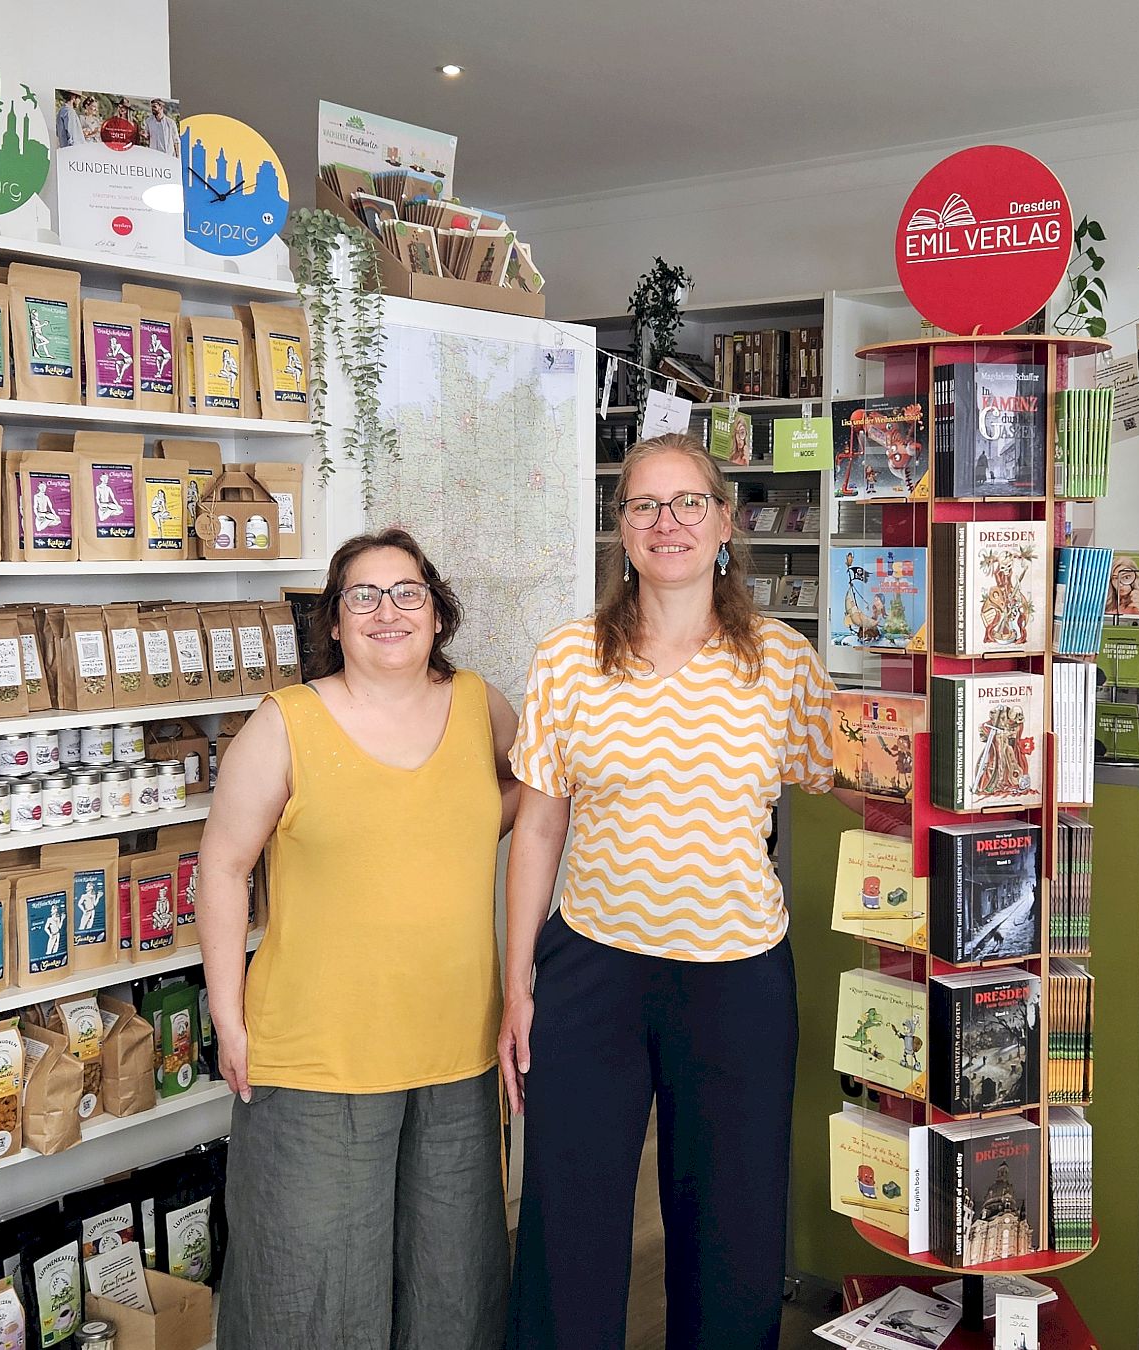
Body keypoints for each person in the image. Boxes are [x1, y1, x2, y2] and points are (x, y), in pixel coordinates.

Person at [504, 433, 834, 1350]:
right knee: (569, 1220)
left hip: (738, 976)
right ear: (622, 529)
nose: (668, 522)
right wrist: (518, 983)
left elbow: (849, 780)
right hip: (592, 970)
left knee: (734, 1228)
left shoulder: (783, 662)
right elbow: (539, 826)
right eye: (644, 505)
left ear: (726, 523)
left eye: (689, 502)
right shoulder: (569, 658)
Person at [195, 528, 520, 1350]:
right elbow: (223, 868)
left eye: (408, 593)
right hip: (318, 1058)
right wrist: (229, 1020)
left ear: (437, 614)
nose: (388, 611)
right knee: (308, 1294)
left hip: (457, 1052)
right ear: (335, 624)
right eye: (362, 596)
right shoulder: (286, 723)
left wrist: (458, 829)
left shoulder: (480, 705)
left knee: (451, 1292)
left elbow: (525, 792)